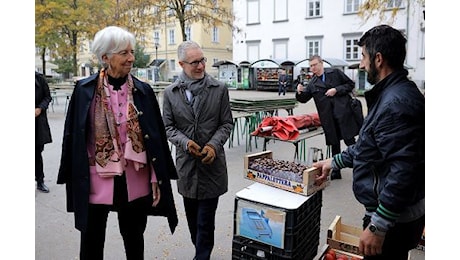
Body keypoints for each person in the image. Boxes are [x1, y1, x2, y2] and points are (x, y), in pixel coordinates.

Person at [57, 26, 178, 260]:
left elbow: (157, 140)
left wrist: (156, 177)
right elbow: (72, 139)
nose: (131, 58)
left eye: (131, 52)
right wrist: (71, 177)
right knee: (91, 243)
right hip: (95, 179)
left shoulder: (143, 91)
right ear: (105, 57)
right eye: (123, 53)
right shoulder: (84, 90)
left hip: (135, 178)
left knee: (134, 239)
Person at [312, 25, 425, 260]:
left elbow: (403, 170)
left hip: (394, 222)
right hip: (396, 218)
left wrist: (378, 225)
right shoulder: (392, 94)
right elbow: (371, 146)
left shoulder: (395, 103)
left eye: (363, 57)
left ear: (379, 59)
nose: (361, 64)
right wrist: (333, 162)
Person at [162, 40, 233, 260]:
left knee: (205, 220)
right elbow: (168, 127)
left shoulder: (218, 89)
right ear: (181, 64)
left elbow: (226, 123)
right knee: (193, 219)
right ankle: (200, 251)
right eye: (195, 62)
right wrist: (185, 142)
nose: (201, 66)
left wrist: (213, 145)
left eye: (202, 60)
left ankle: (202, 256)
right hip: (187, 168)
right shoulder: (171, 93)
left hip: (212, 167)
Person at [295, 55, 360, 180]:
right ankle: (336, 170)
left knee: (350, 141)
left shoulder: (335, 73)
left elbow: (350, 84)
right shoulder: (312, 83)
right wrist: (299, 92)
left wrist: (336, 89)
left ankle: (361, 167)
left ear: (321, 63)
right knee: (334, 144)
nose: (313, 68)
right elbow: (304, 99)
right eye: (311, 66)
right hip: (328, 118)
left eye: (315, 64)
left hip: (342, 114)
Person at [35, 71, 52, 193]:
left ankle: (40, 181)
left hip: (37, 121)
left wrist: (40, 108)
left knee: (36, 152)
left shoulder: (39, 78)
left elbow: (47, 96)